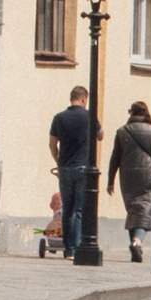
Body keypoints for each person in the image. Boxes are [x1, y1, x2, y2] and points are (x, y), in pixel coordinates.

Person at [108, 97, 151, 265]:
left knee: (134, 210)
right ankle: (137, 241)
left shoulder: (122, 132)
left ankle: (134, 244)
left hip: (127, 177)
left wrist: (110, 180)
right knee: (145, 211)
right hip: (148, 175)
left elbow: (115, 157)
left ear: (132, 113)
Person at [51, 84, 94, 258]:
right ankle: (75, 248)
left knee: (67, 208)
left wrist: (59, 161)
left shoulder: (59, 118)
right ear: (84, 99)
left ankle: (67, 247)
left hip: (65, 168)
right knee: (78, 209)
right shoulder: (88, 116)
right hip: (82, 167)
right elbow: (100, 135)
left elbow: (52, 144)